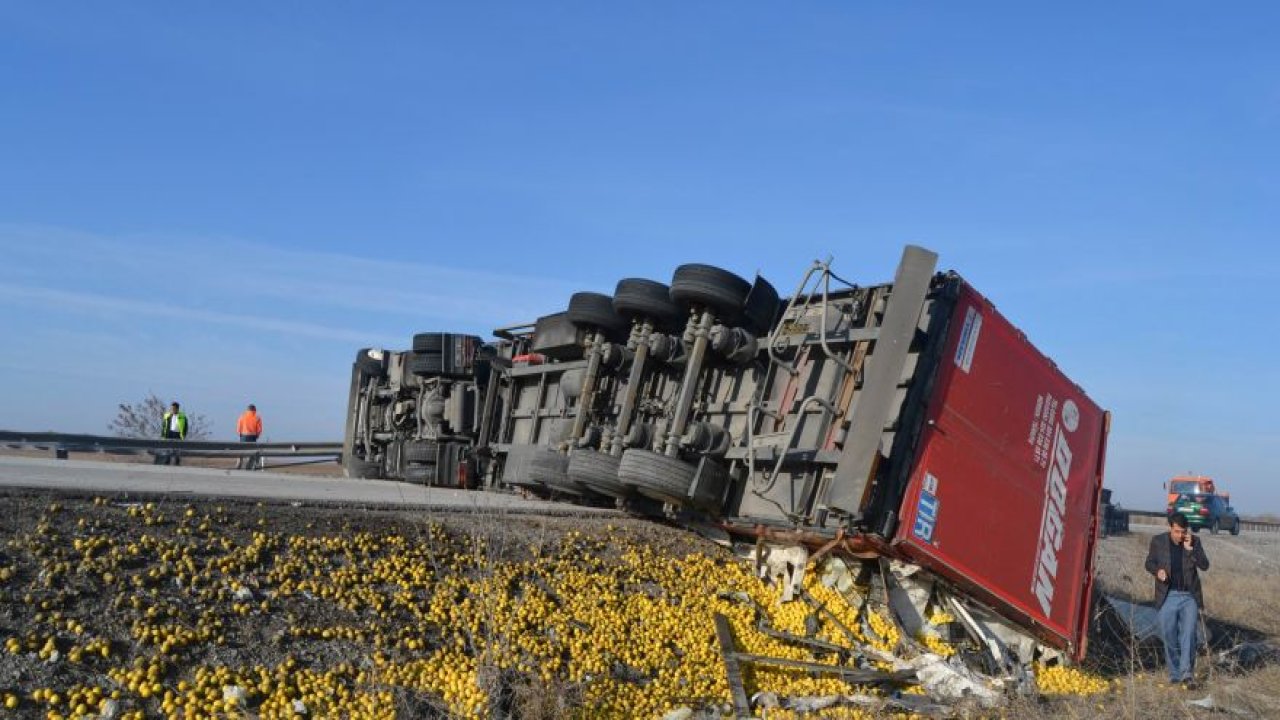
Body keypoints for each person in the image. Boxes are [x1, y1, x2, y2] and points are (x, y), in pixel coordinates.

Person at [1144, 512, 1210, 688]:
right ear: (1170, 528)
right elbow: (1149, 563)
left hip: (1189, 596)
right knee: (1169, 636)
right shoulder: (1158, 541)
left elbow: (1205, 565)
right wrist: (1157, 571)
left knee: (1189, 634)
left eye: (1183, 531)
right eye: (1177, 531)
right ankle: (1174, 674)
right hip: (1168, 595)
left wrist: (1191, 550)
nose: (1180, 535)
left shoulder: (1194, 542)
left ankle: (1187, 674)